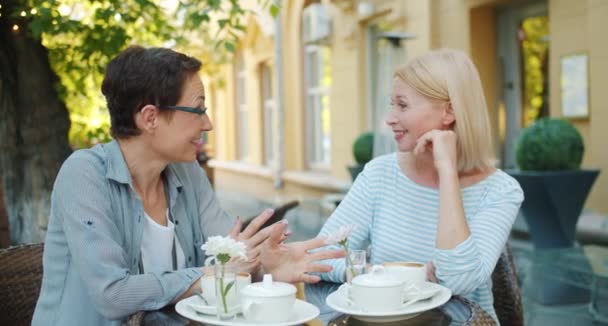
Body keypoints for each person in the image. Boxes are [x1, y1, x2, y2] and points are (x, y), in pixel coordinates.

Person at [32, 46, 342, 325]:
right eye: (198, 109)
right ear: (150, 117)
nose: (207, 123)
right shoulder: (84, 175)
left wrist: (264, 269)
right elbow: (112, 294)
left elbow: (229, 257)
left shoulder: (186, 171)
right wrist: (212, 275)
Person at [317, 49, 524, 322]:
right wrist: (384, 278)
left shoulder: (500, 191)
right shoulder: (380, 174)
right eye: (392, 104)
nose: (389, 118)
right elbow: (320, 256)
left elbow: (459, 281)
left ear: (449, 111)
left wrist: (447, 171)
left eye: (402, 105)